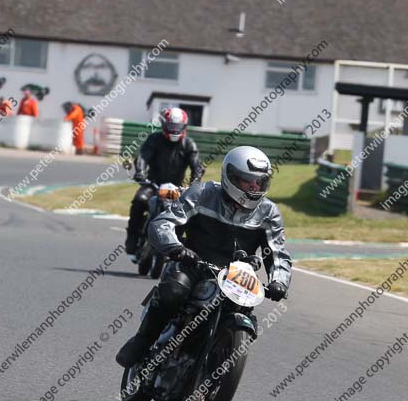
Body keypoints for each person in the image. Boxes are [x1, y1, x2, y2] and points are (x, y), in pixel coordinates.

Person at [115, 146, 292, 368]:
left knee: (243, 310)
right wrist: (176, 248)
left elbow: (278, 253)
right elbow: (163, 222)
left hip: (236, 276)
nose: (255, 187)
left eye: (260, 182)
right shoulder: (202, 194)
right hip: (193, 264)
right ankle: (143, 340)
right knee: (173, 292)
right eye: (248, 181)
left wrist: (279, 282)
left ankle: (215, 361)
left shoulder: (269, 212)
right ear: (232, 177)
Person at [124, 107, 204, 256]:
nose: (174, 130)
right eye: (171, 127)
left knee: (189, 214)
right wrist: (140, 172)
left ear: (184, 127)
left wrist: (195, 183)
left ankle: (180, 246)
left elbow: (197, 166)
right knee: (139, 201)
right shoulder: (154, 139)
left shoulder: (188, 144)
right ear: (164, 125)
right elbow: (143, 156)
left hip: (177, 188)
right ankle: (132, 237)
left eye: (177, 127)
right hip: (153, 184)